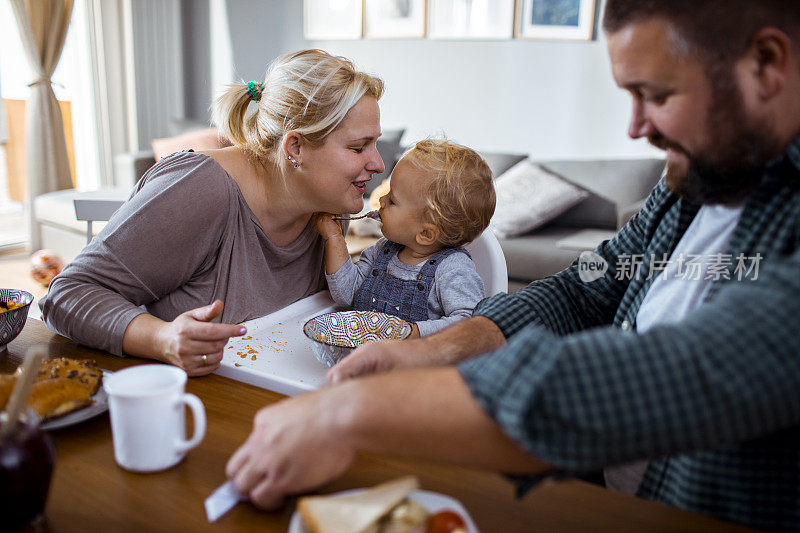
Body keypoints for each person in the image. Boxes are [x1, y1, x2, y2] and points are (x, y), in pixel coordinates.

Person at [226, 1, 800, 530]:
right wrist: (435, 349)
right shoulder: (694, 187)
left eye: (657, 95)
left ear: (767, 64)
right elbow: (586, 289)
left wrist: (349, 413)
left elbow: (681, 373)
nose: (636, 127)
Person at [40, 49, 386, 376]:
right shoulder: (198, 190)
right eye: (358, 147)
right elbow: (67, 294)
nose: (378, 164)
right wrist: (162, 339)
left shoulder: (328, 209)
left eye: (375, 144)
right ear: (295, 147)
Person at [314, 139, 495, 338]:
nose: (381, 201)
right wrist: (334, 238)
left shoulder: (453, 269)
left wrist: (414, 333)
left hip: (416, 366)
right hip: (367, 358)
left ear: (425, 234)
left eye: (392, 200)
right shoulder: (382, 251)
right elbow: (346, 295)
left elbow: (468, 323)